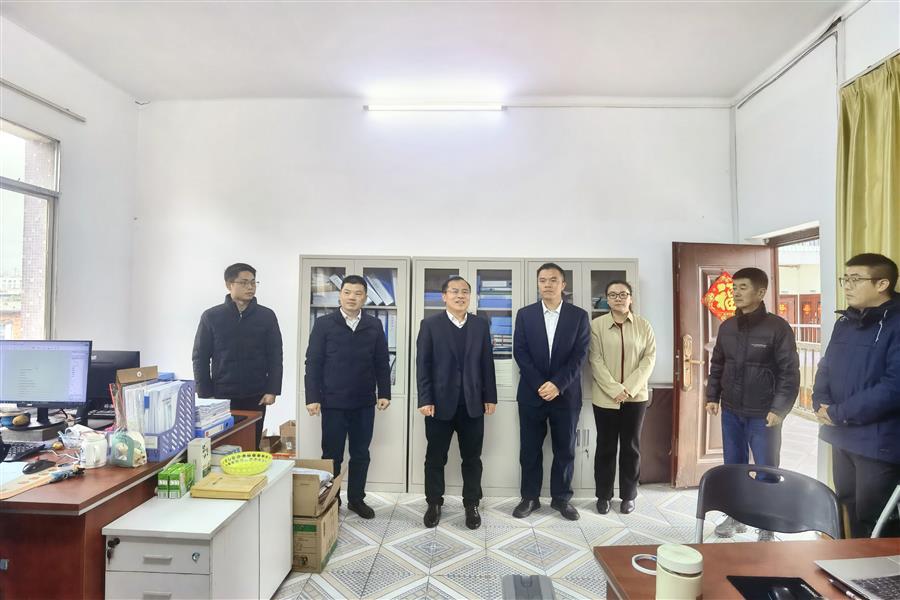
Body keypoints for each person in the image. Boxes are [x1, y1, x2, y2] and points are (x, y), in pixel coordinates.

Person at [706, 267, 799, 541]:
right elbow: (717, 364)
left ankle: (766, 523)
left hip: (763, 414)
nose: (736, 293)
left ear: (761, 292)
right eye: (734, 288)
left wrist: (779, 408)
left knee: (766, 469)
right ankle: (736, 516)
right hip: (732, 411)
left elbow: (789, 372)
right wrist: (712, 396)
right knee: (734, 467)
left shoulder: (777, 328)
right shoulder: (727, 327)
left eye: (743, 287)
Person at [813, 253, 900, 538]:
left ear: (882, 284)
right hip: (842, 435)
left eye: (855, 279)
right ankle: (850, 563)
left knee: (875, 518)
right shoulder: (845, 322)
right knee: (846, 506)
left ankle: (881, 568)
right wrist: (820, 402)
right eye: (845, 279)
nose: (847, 286)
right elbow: (826, 366)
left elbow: (894, 387)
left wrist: (838, 413)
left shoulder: (896, 323)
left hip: (878, 442)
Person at [304, 275, 391, 519]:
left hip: (364, 401)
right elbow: (313, 363)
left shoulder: (374, 325)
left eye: (358, 293)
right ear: (340, 295)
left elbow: (381, 361)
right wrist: (312, 397)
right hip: (333, 401)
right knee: (332, 455)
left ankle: (356, 499)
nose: (352, 297)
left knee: (361, 453)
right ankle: (332, 499)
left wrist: (384, 392)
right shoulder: (324, 324)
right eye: (347, 292)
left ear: (365, 297)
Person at [416, 275, 497, 530]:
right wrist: (425, 398)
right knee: (435, 458)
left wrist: (490, 396)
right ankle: (434, 503)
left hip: (472, 404)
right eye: (454, 291)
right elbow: (423, 365)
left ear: (470, 296)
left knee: (472, 458)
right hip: (439, 405)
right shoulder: (430, 325)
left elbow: (487, 363)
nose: (460, 296)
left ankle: (471, 504)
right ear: (444, 296)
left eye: (464, 291)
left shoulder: (480, 325)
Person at [512, 262, 590, 520]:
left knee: (565, 450)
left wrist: (557, 384)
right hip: (531, 395)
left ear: (563, 284)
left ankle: (561, 499)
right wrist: (540, 384)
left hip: (566, 396)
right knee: (530, 450)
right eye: (543, 280)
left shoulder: (578, 316)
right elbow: (520, 352)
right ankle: (530, 498)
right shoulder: (525, 315)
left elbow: (580, 355)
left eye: (553, 279)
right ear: (538, 284)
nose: (547, 284)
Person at [192, 263, 283, 450]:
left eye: (253, 282)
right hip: (221, 395)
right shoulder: (212, 316)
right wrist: (205, 393)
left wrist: (272, 390)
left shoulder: (266, 316)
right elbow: (200, 357)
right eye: (244, 283)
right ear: (229, 285)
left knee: (250, 445)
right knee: (221, 446)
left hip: (256, 394)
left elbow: (275, 355)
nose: (250, 287)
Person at [589, 280, 656, 515]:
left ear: (631, 298)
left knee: (631, 447)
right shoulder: (596, 326)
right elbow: (595, 360)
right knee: (605, 447)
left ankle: (628, 496)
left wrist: (627, 388)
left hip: (635, 398)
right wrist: (613, 389)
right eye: (613, 294)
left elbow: (649, 359)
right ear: (606, 299)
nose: (618, 298)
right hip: (605, 398)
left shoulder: (643, 325)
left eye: (623, 294)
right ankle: (603, 496)